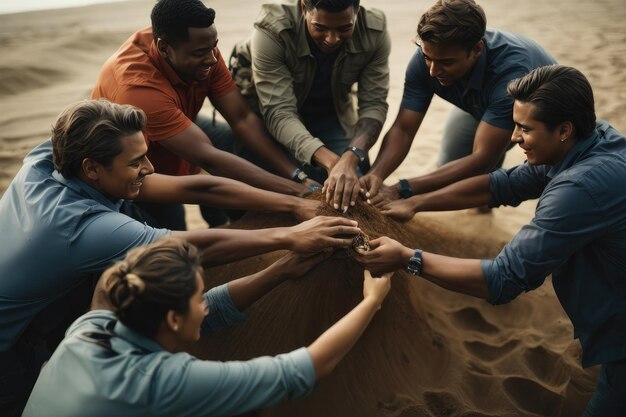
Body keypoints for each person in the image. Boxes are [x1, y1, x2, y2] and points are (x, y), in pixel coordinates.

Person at [0, 99, 361, 417]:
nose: (150, 169)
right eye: (136, 162)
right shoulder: (83, 229)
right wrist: (288, 237)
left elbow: (195, 186)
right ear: (92, 168)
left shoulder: (49, 157)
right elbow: (191, 249)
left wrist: (296, 207)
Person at [357, 65, 626, 416]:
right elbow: (503, 185)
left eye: (524, 128)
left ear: (563, 129)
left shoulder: (577, 189)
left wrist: (407, 258)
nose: (513, 137)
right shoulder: (592, 139)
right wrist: (413, 201)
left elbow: (504, 278)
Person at [21, 237, 391, 416]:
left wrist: (279, 270)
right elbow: (306, 368)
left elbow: (108, 282)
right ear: (171, 319)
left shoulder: (90, 328)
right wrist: (372, 300)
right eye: (198, 297)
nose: (205, 304)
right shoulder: (161, 383)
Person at [92, 0, 318, 230]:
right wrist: (296, 192)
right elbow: (208, 159)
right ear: (163, 48)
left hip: (176, 120)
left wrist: (295, 174)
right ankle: (221, 223)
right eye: (201, 53)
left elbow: (242, 118)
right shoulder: (138, 89)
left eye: (214, 47)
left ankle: (233, 219)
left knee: (234, 144)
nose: (212, 58)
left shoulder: (200, 45)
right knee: (173, 232)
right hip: (131, 161)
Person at [360, 0, 556, 207]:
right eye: (428, 57)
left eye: (446, 62)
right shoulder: (426, 59)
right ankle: (481, 216)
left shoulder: (512, 75)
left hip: (534, 116)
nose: (433, 72)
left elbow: (482, 160)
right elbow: (404, 129)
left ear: (477, 49)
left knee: (493, 174)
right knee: (449, 169)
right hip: (481, 106)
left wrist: (403, 188)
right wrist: (376, 175)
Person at [234, 0, 390, 212]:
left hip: (329, 112)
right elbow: (279, 112)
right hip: (263, 117)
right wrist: (333, 163)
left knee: (357, 191)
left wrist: (351, 157)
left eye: (345, 28)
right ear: (303, 8)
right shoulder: (271, 30)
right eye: (320, 28)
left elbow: (373, 104)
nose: (332, 39)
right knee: (250, 200)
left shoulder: (374, 30)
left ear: (357, 11)